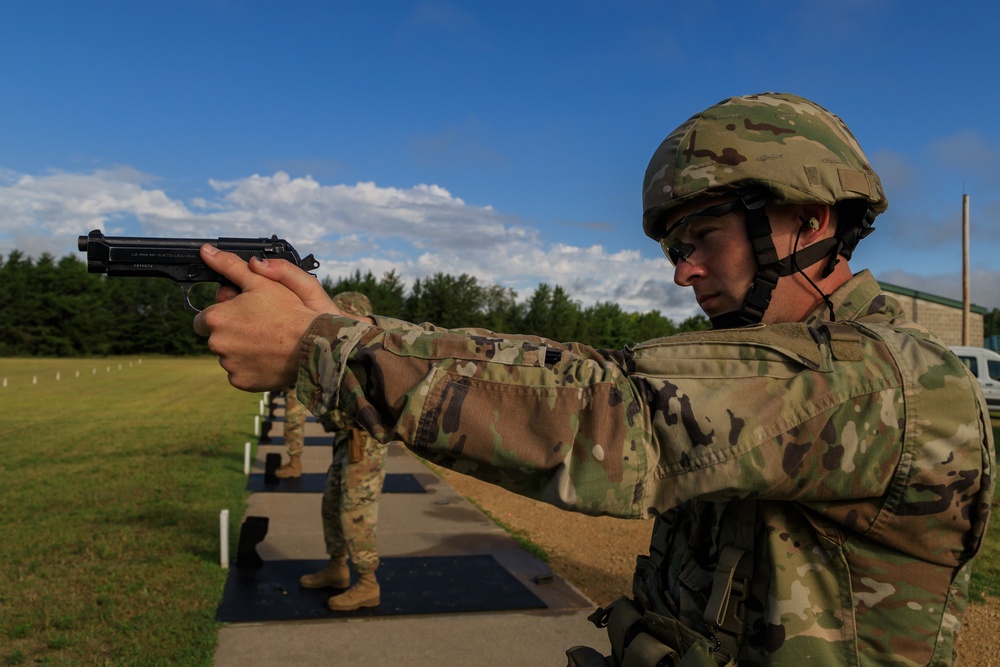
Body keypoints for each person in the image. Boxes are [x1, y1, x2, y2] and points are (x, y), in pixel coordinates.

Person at [194, 93, 994, 666]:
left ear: (810, 223)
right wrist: (353, 329)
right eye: (675, 245)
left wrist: (326, 349)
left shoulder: (880, 377)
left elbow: (615, 413)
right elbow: (571, 369)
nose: (685, 271)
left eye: (705, 236)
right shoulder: (789, 359)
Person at [297, 292, 389, 612]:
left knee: (356, 512)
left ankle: (367, 583)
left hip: (363, 444)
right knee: (332, 505)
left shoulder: (371, 357)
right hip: (345, 440)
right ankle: (337, 568)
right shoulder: (341, 355)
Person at [274, 386, 306, 478]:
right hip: (295, 388)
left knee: (293, 425)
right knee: (292, 424)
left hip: (297, 388)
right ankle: (294, 463)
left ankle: (294, 465)